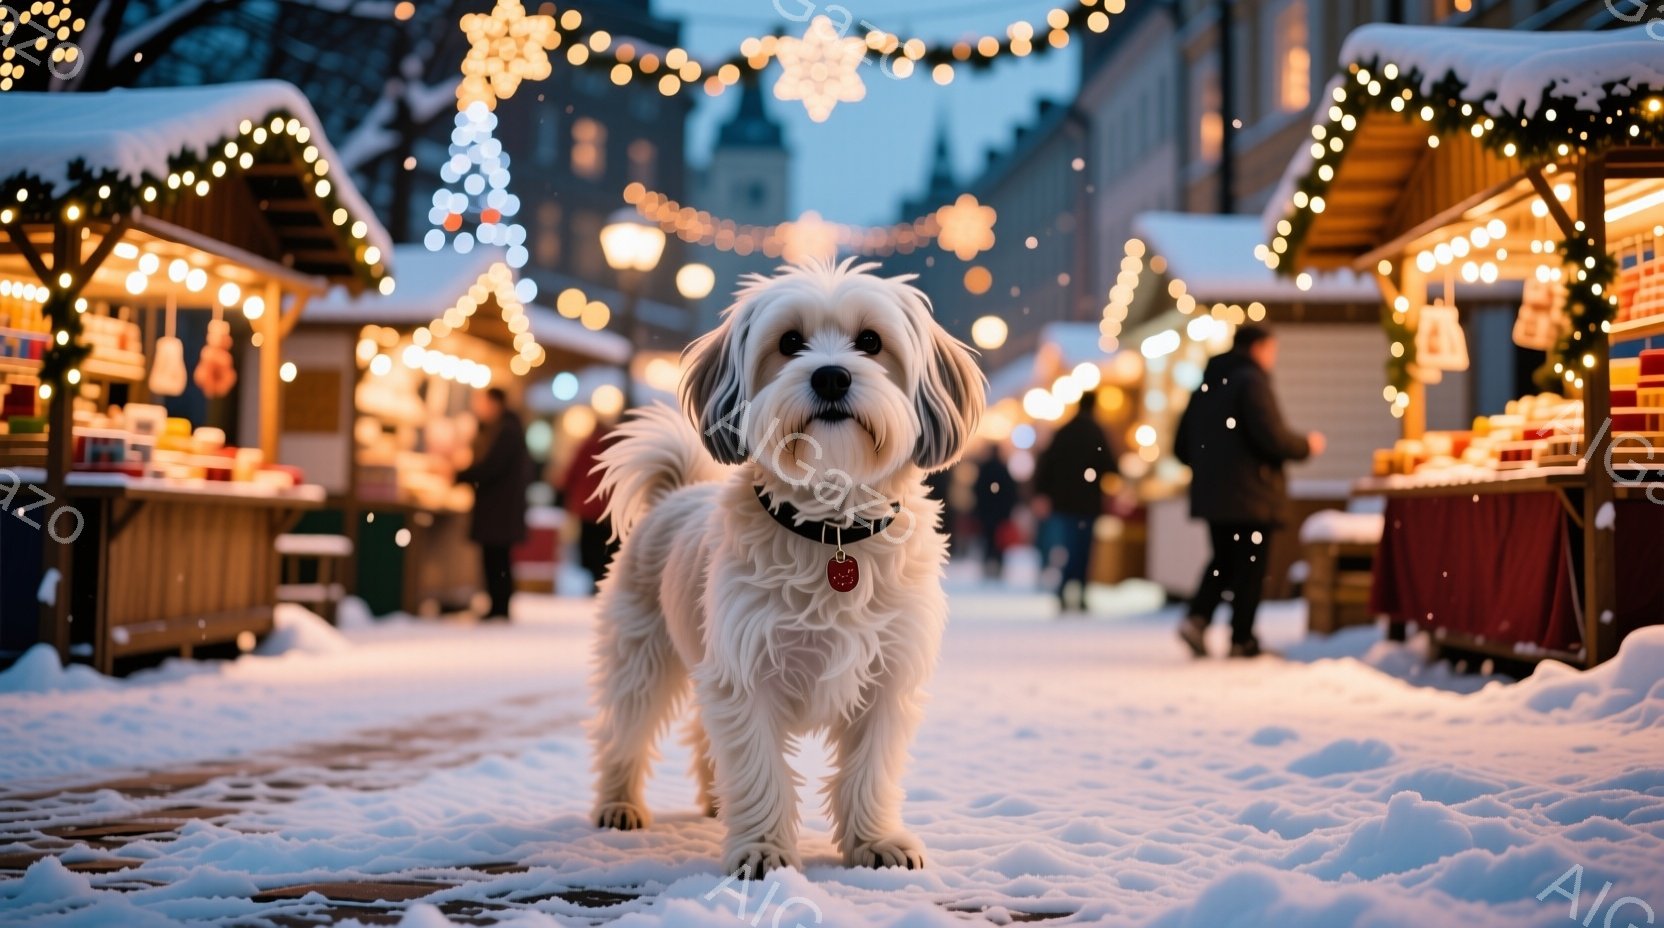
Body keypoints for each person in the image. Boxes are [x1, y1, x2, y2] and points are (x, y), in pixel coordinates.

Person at [1174, 324, 1325, 658]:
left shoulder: (1206, 384)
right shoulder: (1251, 381)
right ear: (1258, 347)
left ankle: (1198, 618)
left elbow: (1181, 446)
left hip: (1215, 496)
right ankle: (1242, 639)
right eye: (1272, 350)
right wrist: (1306, 446)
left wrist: (1213, 465)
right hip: (1252, 494)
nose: (1273, 358)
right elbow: (1270, 435)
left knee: (1223, 560)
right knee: (1250, 567)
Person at [1031, 392, 1117, 614]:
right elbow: (1109, 464)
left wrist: (1043, 492)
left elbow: (1047, 465)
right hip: (1087, 502)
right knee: (1084, 549)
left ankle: (1063, 589)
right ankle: (1079, 592)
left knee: (1068, 547)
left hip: (1064, 502)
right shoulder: (1095, 432)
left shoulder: (1064, 431)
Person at [456, 387, 533, 622]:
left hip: (499, 510)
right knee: (497, 558)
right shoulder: (507, 428)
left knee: (496, 559)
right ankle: (498, 605)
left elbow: (491, 469)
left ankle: (499, 607)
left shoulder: (505, 431)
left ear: (495, 404)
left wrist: (460, 475)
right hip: (501, 509)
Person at [561, 422, 616, 594]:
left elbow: (571, 473)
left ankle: (595, 579)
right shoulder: (615, 446)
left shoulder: (586, 446)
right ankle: (605, 580)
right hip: (610, 507)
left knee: (590, 547)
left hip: (588, 506)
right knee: (608, 548)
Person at [971, 445, 1017, 580]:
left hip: (986, 512)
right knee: (999, 541)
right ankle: (998, 565)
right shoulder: (1004, 470)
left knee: (988, 539)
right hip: (1000, 512)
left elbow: (978, 490)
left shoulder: (984, 469)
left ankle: (987, 564)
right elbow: (1011, 492)